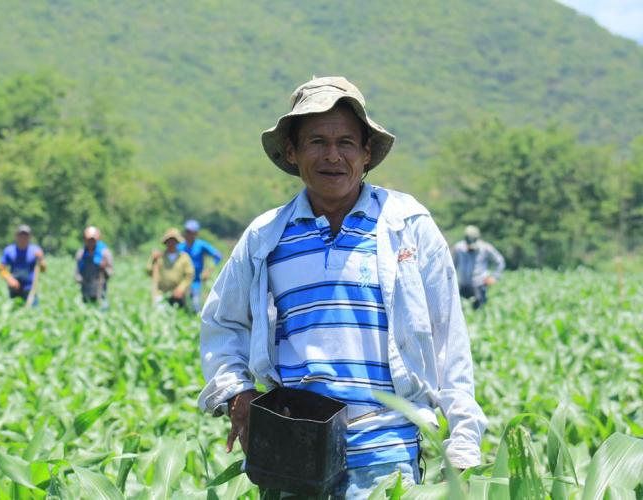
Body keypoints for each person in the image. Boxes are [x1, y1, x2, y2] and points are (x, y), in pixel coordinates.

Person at [198, 77, 487, 497]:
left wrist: (462, 441)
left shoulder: (407, 225)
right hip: (293, 453)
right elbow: (222, 325)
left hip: (385, 455)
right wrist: (236, 393)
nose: (332, 155)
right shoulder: (266, 237)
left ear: (367, 152)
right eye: (316, 141)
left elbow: (448, 341)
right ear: (293, 152)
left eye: (346, 142)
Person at [452, 225, 505, 310]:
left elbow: (500, 261)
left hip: (479, 286)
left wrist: (494, 277)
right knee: (462, 313)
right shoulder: (458, 248)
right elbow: (452, 266)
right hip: (462, 286)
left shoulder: (485, 247)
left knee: (478, 312)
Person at [177, 219, 223, 313]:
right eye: (187, 232)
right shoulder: (180, 246)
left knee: (196, 305)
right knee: (182, 307)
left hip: (196, 281)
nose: (188, 234)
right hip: (182, 281)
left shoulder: (201, 245)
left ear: (196, 233)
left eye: (191, 232)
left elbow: (218, 256)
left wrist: (209, 270)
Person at [147, 228, 195, 310]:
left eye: (174, 241)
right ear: (166, 242)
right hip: (161, 293)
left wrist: (181, 288)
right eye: (169, 240)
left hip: (178, 293)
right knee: (160, 315)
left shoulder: (184, 257)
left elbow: (189, 275)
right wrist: (152, 259)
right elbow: (149, 271)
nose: (171, 243)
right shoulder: (159, 257)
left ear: (177, 242)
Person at [0, 225, 46, 305]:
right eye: (21, 235)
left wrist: (41, 260)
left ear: (29, 237)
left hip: (30, 289)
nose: (23, 238)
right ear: (16, 236)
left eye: (26, 236)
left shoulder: (35, 250)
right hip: (15, 288)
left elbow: (43, 269)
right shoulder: (9, 251)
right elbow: (1, 269)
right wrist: (9, 279)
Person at [74, 226, 114, 306]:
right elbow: (77, 274)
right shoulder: (81, 254)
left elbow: (111, 272)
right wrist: (81, 279)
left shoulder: (105, 253)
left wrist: (104, 268)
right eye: (88, 240)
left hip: (101, 291)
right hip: (86, 292)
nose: (91, 242)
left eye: (93, 240)